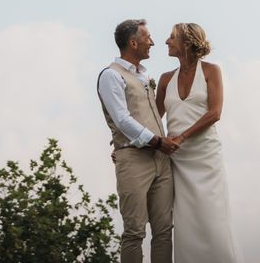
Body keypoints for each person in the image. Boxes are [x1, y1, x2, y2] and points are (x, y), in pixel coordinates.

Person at [156, 23, 242, 263]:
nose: (166, 41)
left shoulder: (211, 71)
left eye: (172, 37)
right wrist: (127, 143)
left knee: (214, 219)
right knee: (186, 222)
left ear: (186, 43)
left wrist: (182, 137)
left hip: (206, 157)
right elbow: (153, 119)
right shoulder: (165, 80)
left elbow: (215, 113)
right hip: (178, 161)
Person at [97, 19, 179, 263]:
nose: (152, 42)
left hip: (161, 160)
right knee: (134, 231)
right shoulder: (110, 76)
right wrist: (156, 141)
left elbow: (147, 114)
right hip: (134, 160)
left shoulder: (144, 76)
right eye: (148, 38)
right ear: (133, 43)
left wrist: (159, 145)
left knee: (164, 231)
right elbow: (121, 119)